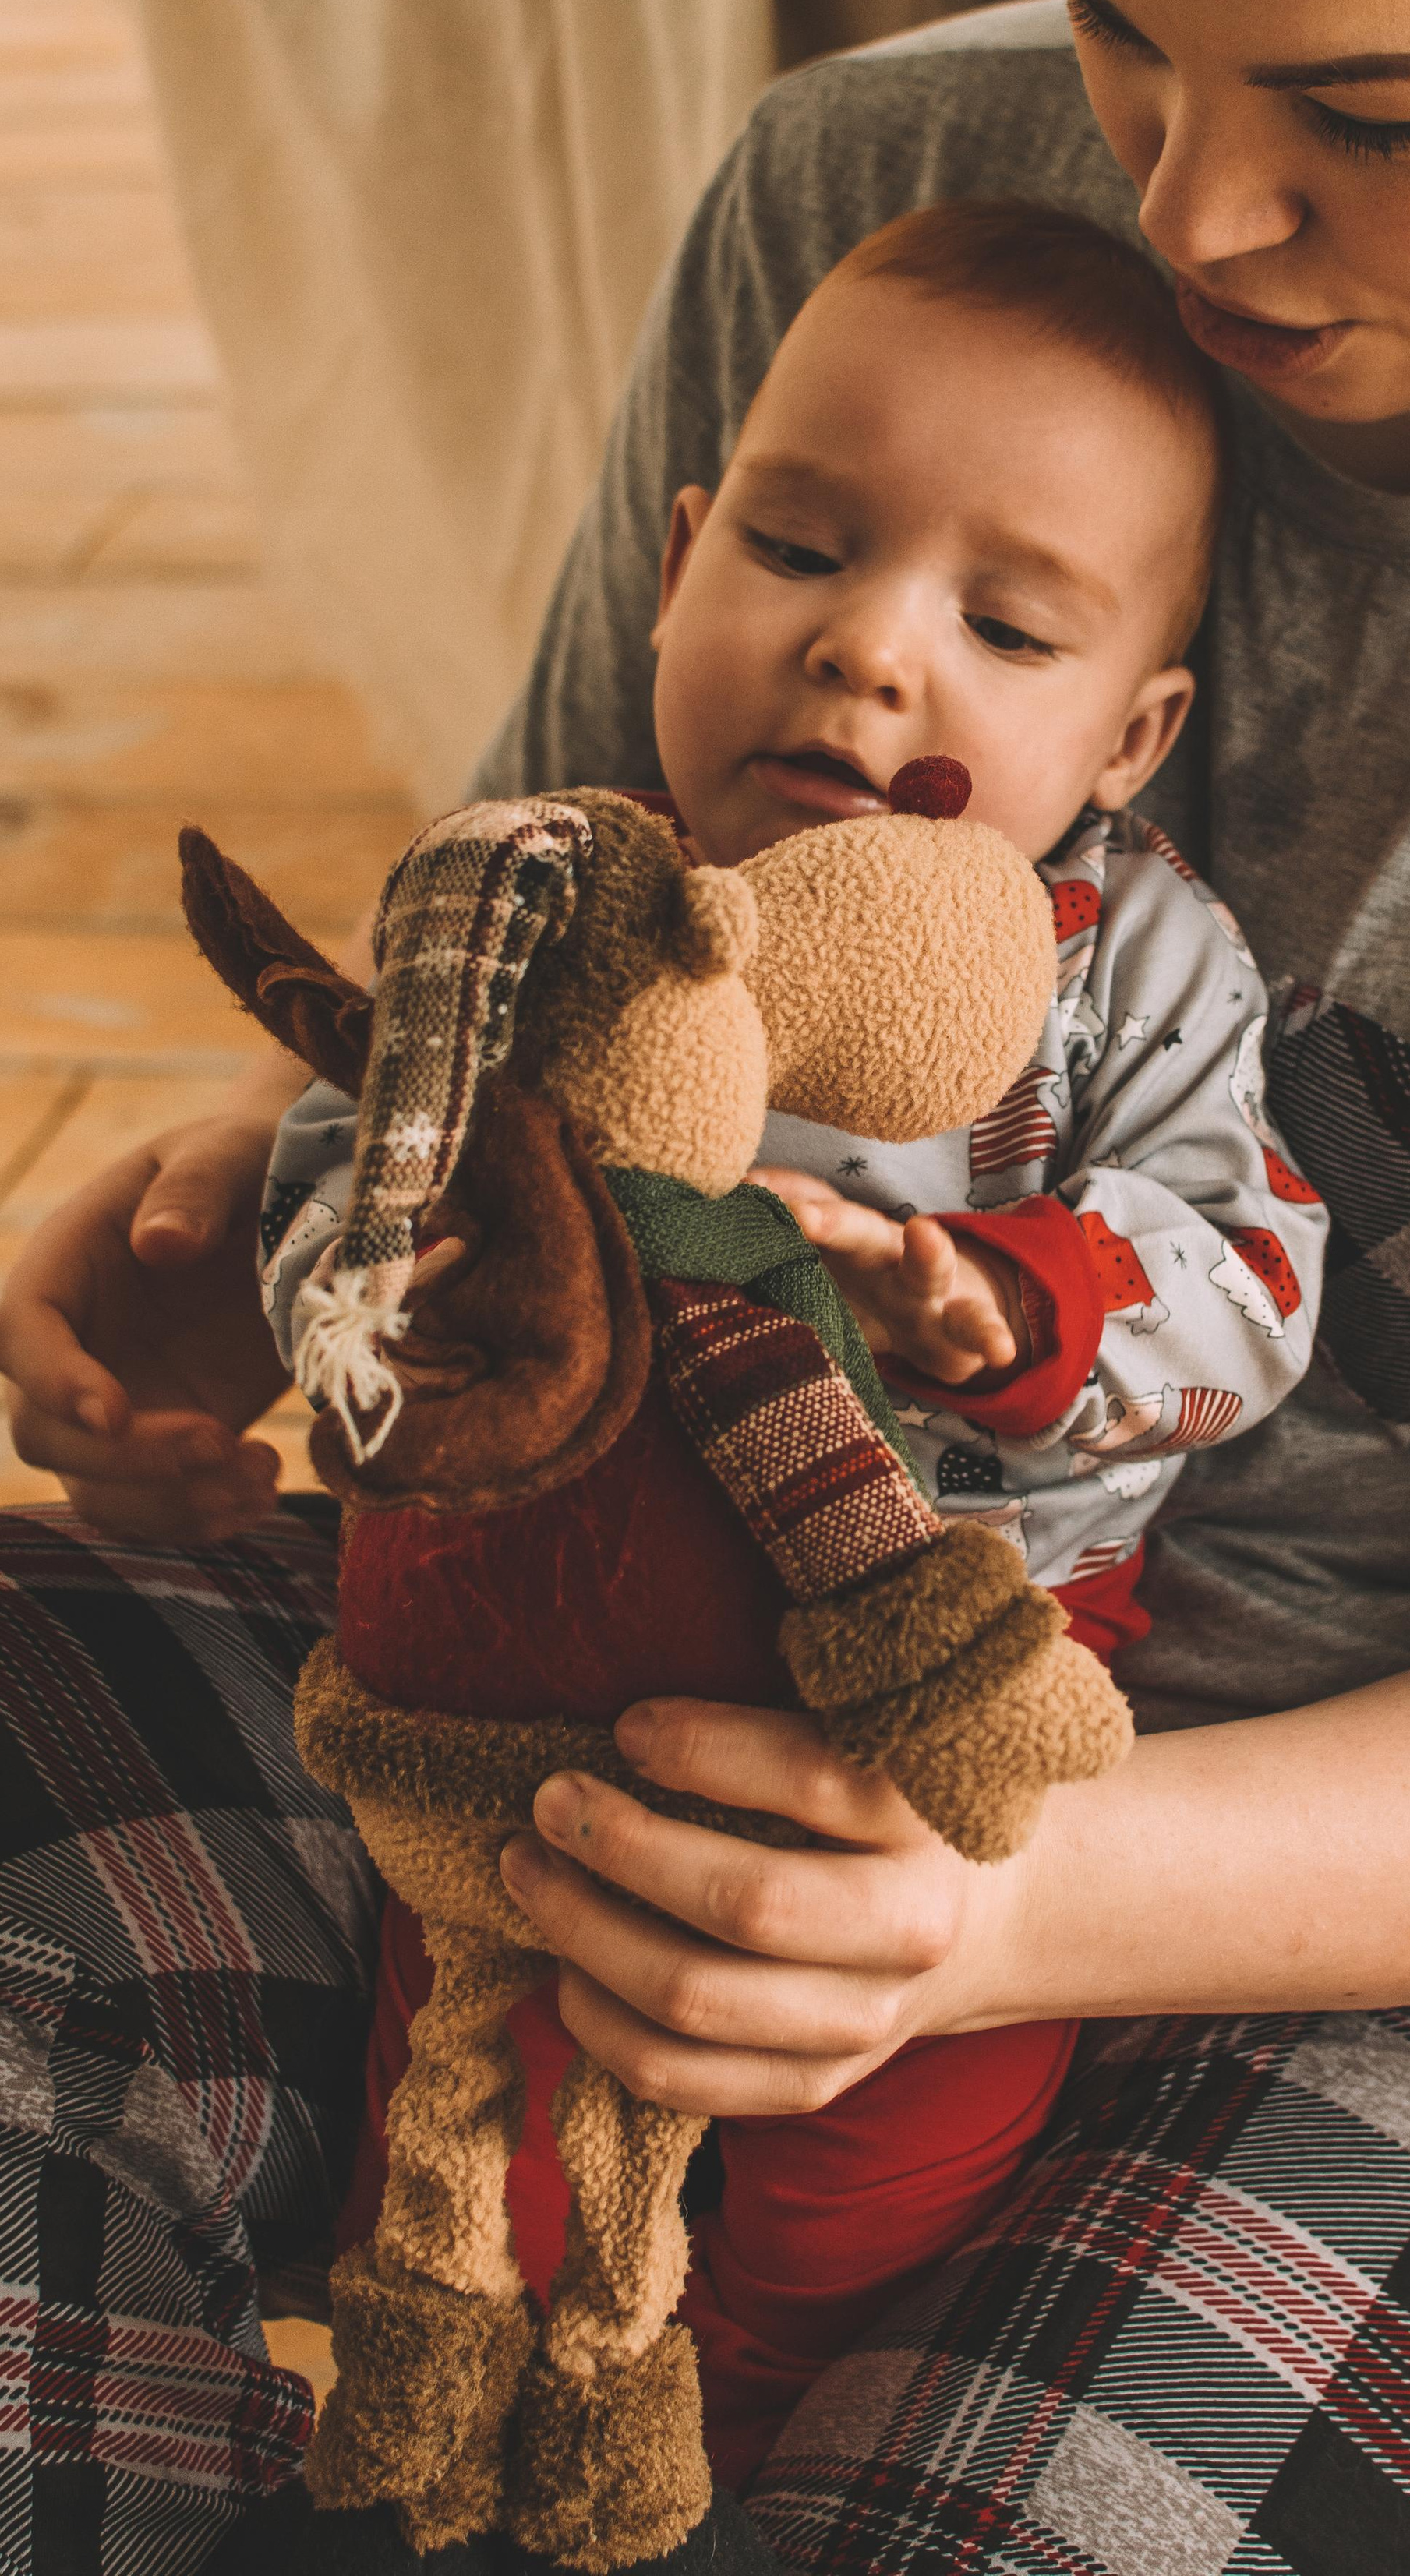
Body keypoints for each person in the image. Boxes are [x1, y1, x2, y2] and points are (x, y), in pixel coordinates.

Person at [0, 0, 1410, 2567]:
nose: (1186, 210)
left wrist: (992, 1898)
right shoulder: (880, 197)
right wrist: (311, 1217)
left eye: (1375, 118)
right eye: (1121, 16)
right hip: (590, 1646)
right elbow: (556, 1006)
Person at [269, 197, 1325, 2499]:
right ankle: (428, 2414)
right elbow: (354, 1150)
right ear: (675, 560)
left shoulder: (1135, 973)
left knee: (886, 2148)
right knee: (462, 2072)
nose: (862, 657)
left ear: (1135, 729)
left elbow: (1250, 1275)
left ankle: (742, 2431)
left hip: (946, 1651)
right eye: (799, 547)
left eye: (1006, 620)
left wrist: (1012, 1303)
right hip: (530, 1646)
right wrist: (370, 1312)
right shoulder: (554, 890)